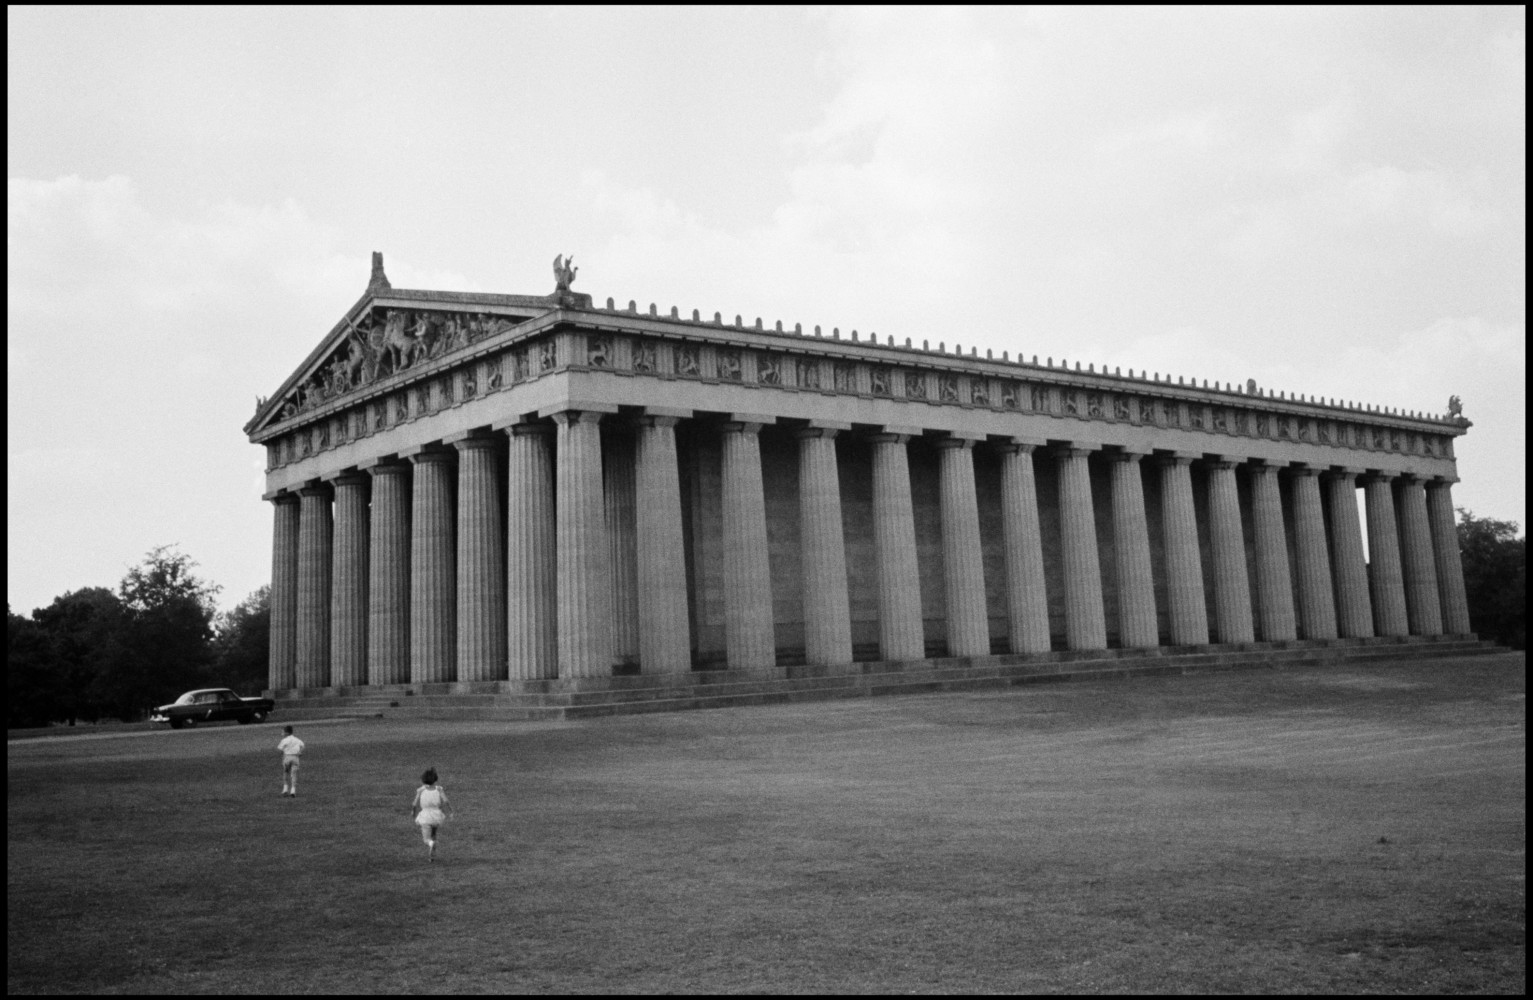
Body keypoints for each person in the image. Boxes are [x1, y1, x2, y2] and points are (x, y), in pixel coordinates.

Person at [411, 768, 453, 861]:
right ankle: (432, 856)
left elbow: (414, 804)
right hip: (437, 815)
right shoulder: (439, 789)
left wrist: (413, 812)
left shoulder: (421, 790)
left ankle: (431, 844)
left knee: (426, 839)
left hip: (425, 816)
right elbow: (446, 801)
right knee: (433, 835)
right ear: (435, 779)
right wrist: (450, 812)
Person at [277, 725, 304, 797]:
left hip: (287, 757)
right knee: (293, 774)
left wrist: (283, 755)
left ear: (287, 733)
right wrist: (300, 752)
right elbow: (302, 745)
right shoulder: (297, 739)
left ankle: (285, 789)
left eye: (283, 732)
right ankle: (293, 790)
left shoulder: (284, 740)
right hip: (295, 757)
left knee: (286, 772)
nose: (282, 733)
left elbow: (280, 749)